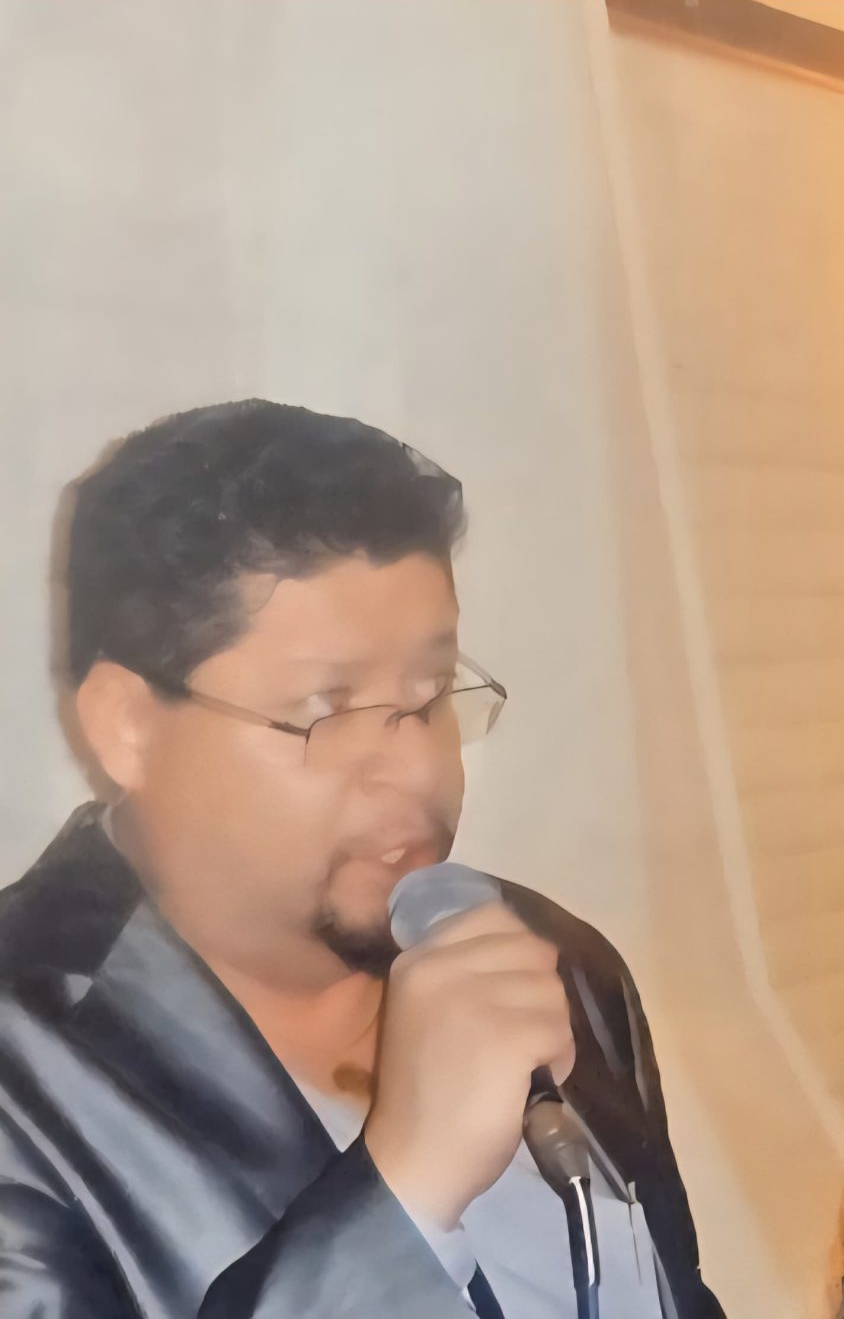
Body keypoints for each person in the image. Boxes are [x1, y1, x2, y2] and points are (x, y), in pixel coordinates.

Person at [0, 401, 723, 1317]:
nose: (419, 769)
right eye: (328, 712)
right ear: (128, 726)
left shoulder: (554, 960)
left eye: (431, 692)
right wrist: (404, 1190)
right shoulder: (25, 1075)